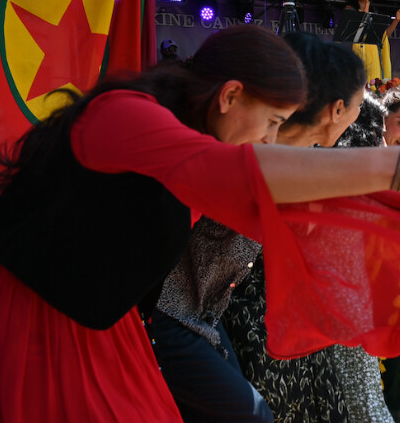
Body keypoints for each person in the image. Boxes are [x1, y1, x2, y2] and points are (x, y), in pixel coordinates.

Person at [0, 25, 400, 421]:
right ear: (230, 96)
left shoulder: (199, 143)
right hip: (19, 322)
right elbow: (230, 172)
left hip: (98, 324)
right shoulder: (125, 116)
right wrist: (398, 165)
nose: (277, 139)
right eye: (274, 122)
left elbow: (295, 212)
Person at [149, 33, 365, 422]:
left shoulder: (284, 153)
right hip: (167, 315)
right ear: (336, 109)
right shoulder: (246, 144)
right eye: (359, 104)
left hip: (205, 314)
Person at [345, 0, 400, 82]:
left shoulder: (373, 15)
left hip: (374, 58)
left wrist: (397, 20)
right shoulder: (350, 10)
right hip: (360, 59)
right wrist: (367, 4)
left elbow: (384, 36)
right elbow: (361, 29)